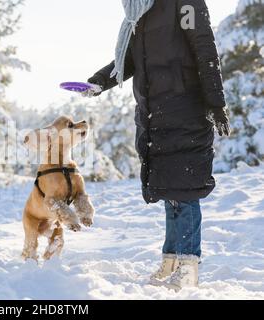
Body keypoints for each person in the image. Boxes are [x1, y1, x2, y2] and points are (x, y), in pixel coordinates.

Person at [85, 0, 230, 290]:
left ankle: (188, 266)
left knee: (185, 190)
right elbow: (127, 59)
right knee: (169, 191)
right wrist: (99, 82)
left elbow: (204, 48)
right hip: (154, 114)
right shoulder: (138, 12)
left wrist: (216, 103)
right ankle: (172, 260)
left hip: (186, 108)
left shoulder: (185, 3)